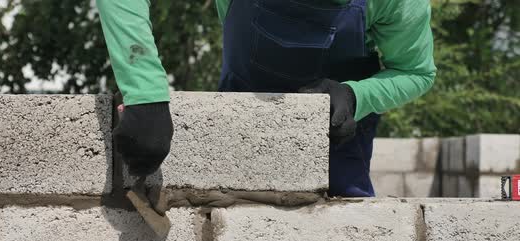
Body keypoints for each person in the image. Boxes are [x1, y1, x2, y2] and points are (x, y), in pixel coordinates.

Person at [96, 0, 436, 197]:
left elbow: (416, 72)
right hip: (237, 130)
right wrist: (145, 92)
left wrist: (356, 94)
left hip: (338, 141)